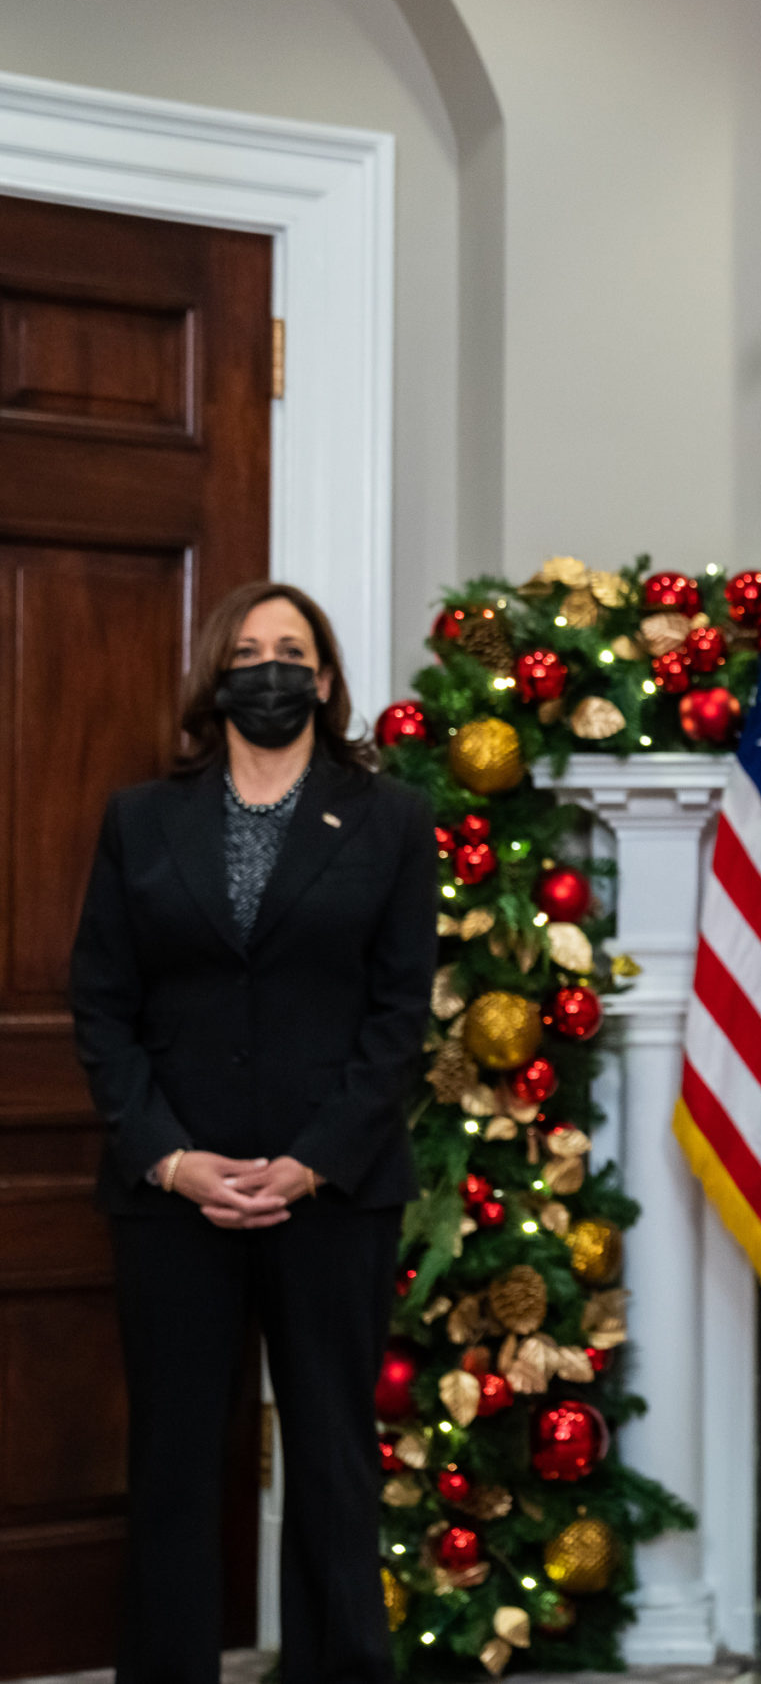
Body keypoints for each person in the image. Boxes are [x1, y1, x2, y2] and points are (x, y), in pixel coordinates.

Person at [72, 582, 437, 1684]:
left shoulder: (393, 819)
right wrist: (173, 1161)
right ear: (215, 678)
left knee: (332, 1461)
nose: (270, 668)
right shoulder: (142, 818)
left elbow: (398, 1014)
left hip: (333, 1191)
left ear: (324, 682)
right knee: (176, 1467)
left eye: (293, 651)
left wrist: (316, 1158)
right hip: (173, 1194)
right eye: (249, 650)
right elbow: (100, 1002)